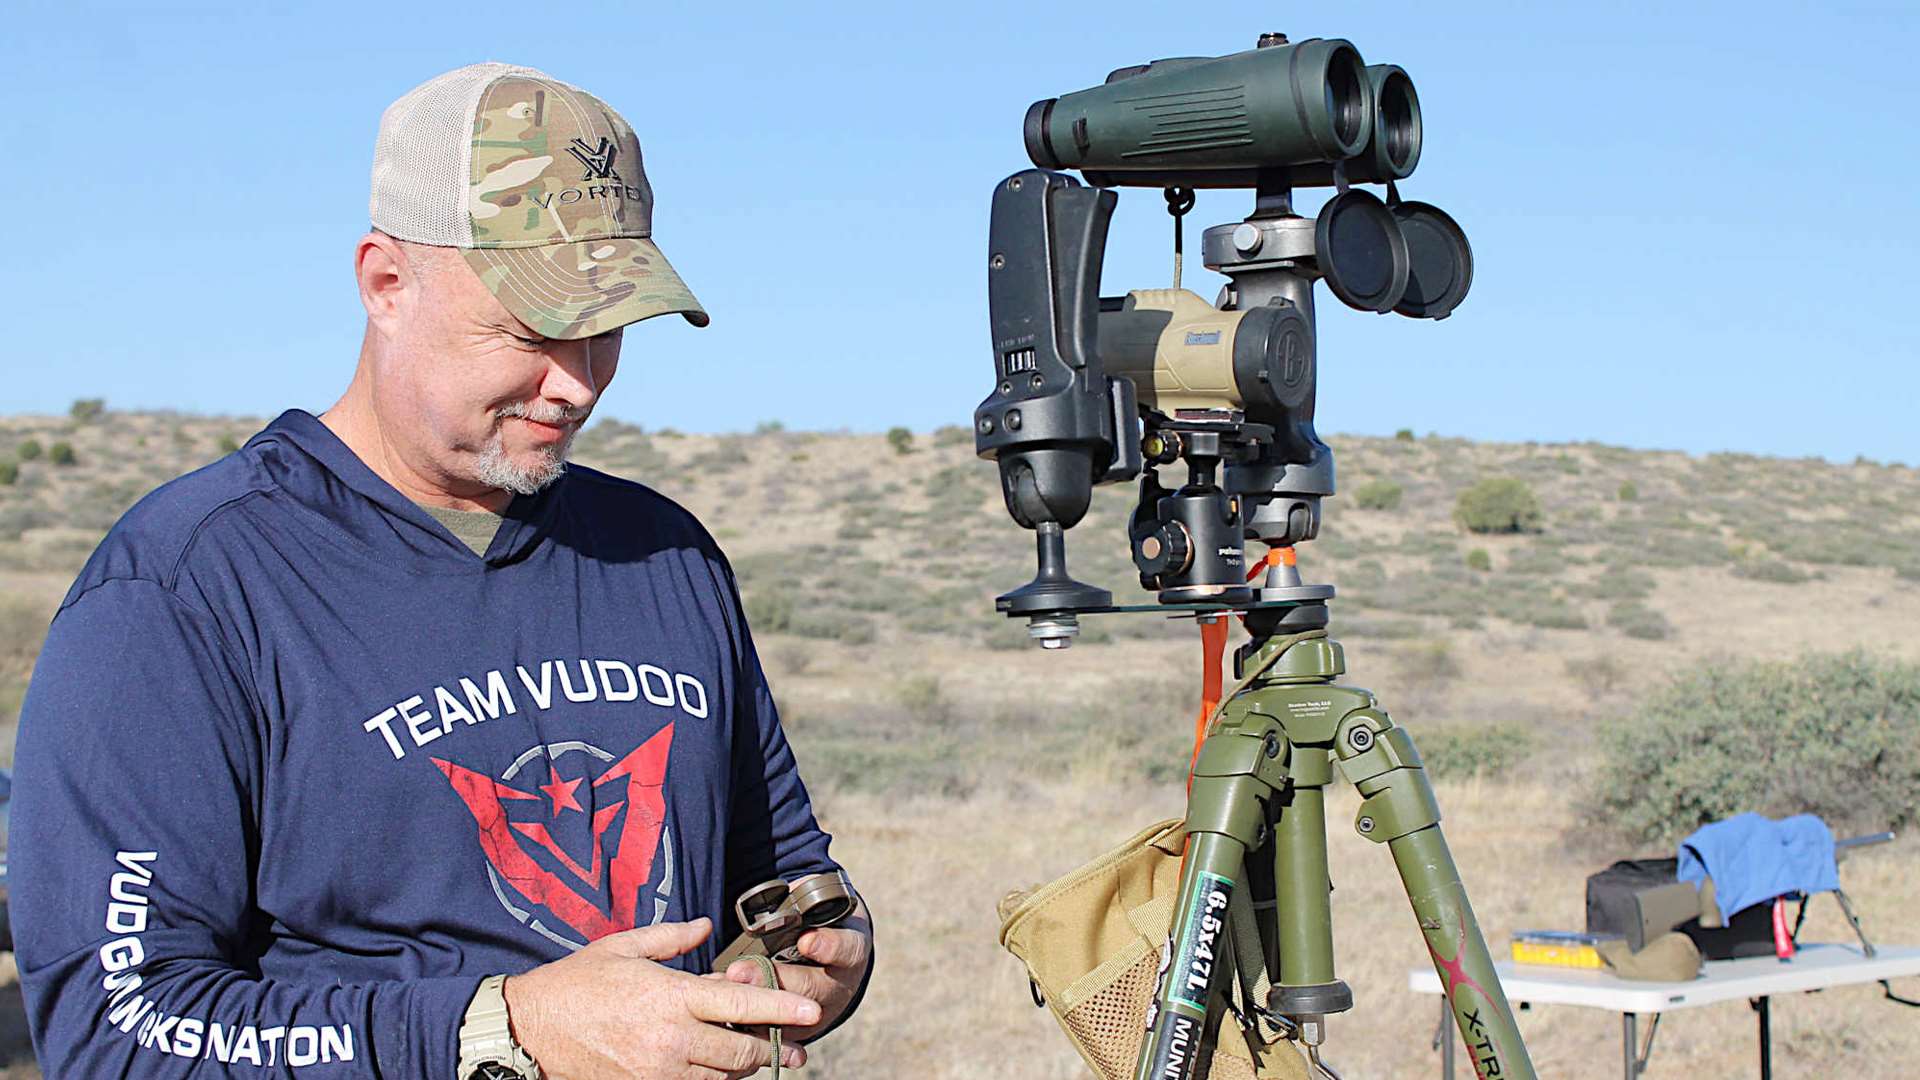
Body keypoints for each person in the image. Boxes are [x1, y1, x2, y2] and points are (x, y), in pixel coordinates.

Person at [8, 62, 871, 1079]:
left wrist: (826, 963)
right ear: (385, 282)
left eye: (607, 332)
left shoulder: (665, 554)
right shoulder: (188, 587)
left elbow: (786, 879)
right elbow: (119, 1028)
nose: (575, 382)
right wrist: (502, 1031)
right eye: (532, 329)